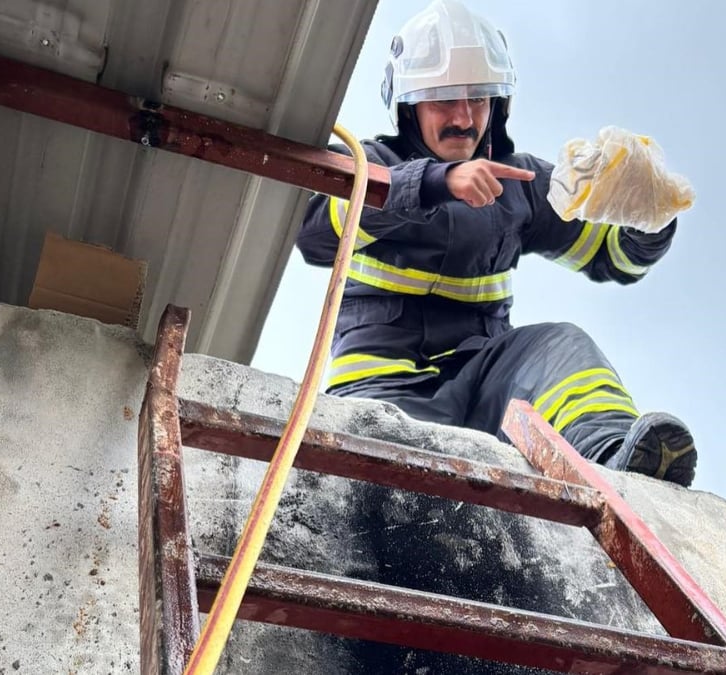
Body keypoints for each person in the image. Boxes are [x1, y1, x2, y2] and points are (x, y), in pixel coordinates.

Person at [295, 0, 697, 487]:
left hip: (485, 387)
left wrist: (645, 213)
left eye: (479, 99)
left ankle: (615, 463)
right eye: (444, 99)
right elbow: (313, 233)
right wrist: (435, 183)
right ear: (409, 107)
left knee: (561, 343)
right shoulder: (368, 164)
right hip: (383, 390)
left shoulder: (520, 185)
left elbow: (615, 258)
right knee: (398, 490)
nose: (464, 117)